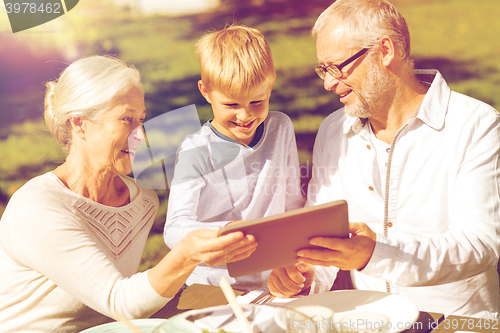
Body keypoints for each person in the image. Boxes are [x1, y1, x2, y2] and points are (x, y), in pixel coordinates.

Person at [268, 0, 500, 319]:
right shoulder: (332, 131)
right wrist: (305, 274)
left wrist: (376, 254)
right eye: (323, 69)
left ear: (385, 51)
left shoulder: (476, 125)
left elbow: (480, 246)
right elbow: (322, 233)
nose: (328, 83)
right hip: (369, 321)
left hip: (458, 322)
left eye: (337, 67)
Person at [0, 55, 257, 332]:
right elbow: (119, 301)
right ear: (80, 124)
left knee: (240, 313)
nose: (142, 135)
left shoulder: (141, 202)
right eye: (126, 119)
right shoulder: (39, 207)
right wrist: (186, 255)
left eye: (141, 120)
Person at [164, 25, 305, 291]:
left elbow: (292, 204)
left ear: (270, 86)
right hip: (213, 286)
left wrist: (291, 261)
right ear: (206, 91)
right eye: (231, 105)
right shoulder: (196, 150)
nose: (245, 116)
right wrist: (227, 231)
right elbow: (174, 230)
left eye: (256, 102)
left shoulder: (280, 128)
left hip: (270, 283)